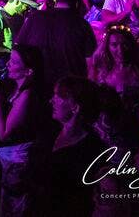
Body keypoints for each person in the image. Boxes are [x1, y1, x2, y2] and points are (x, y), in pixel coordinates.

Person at [0, 44, 49, 217]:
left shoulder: (28, 95)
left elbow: (4, 134)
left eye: (14, 62)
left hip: (17, 161)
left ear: (29, 71)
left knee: (13, 206)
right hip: (7, 157)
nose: (8, 64)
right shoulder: (16, 86)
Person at [43, 76, 105, 217]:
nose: (51, 100)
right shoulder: (50, 130)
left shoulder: (91, 148)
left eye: (58, 97)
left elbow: (79, 198)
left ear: (75, 107)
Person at [14, 0, 96, 87]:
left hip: (38, 85)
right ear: (77, 4)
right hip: (69, 88)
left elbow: (18, 48)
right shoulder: (82, 25)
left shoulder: (34, 17)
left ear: (57, 2)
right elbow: (91, 61)